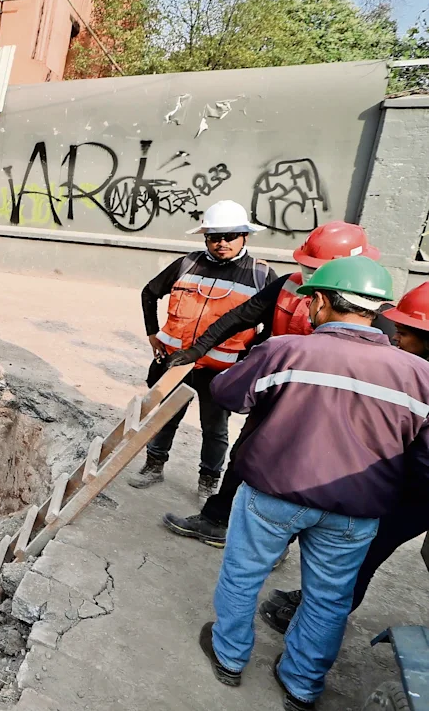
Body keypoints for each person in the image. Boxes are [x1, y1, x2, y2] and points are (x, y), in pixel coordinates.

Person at [199, 257, 429, 710]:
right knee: (330, 598)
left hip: (272, 494)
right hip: (356, 511)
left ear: (321, 300)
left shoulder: (286, 350)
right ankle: (301, 685)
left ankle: (229, 658)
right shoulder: (421, 377)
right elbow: (423, 460)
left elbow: (226, 394)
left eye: (311, 302)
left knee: (244, 574)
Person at [162, 222, 393, 547]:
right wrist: (197, 350)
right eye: (307, 267)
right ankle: (217, 520)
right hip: (279, 395)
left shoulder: (373, 312)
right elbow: (240, 316)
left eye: (320, 270)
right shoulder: (288, 286)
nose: (310, 278)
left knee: (302, 471)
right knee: (245, 453)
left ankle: (274, 544)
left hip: (331, 408)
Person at [258, 282, 429, 635]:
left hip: (415, 493)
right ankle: (315, 606)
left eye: (404, 333)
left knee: (363, 555)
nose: (395, 339)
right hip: (402, 483)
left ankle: (316, 623)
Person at [129, 200, 275, 503]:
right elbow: (149, 292)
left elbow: (271, 326)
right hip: (176, 363)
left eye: (230, 236)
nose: (221, 243)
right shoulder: (187, 264)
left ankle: (208, 480)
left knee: (214, 428)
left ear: (245, 236)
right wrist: (152, 333)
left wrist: (249, 361)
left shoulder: (261, 276)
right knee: (164, 418)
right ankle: (153, 466)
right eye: (213, 237)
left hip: (220, 371)